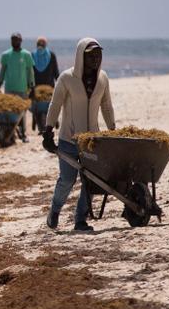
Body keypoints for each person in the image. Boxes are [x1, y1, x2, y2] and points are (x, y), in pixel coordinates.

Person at [43, 38, 116, 234]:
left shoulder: (103, 78)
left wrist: (113, 129)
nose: (95, 58)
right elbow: (55, 104)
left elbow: (106, 106)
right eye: (91, 54)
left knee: (90, 181)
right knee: (67, 180)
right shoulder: (67, 78)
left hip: (92, 142)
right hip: (68, 139)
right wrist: (48, 130)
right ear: (80, 55)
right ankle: (55, 211)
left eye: (98, 54)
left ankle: (80, 220)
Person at [0, 32, 36, 142]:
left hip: (22, 89)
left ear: (21, 41)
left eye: (17, 39)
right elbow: (2, 70)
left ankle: (23, 134)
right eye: (13, 40)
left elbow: (30, 72)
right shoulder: (6, 55)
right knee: (9, 111)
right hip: (9, 88)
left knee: (21, 112)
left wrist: (32, 87)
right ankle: (11, 133)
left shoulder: (26, 54)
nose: (15, 41)